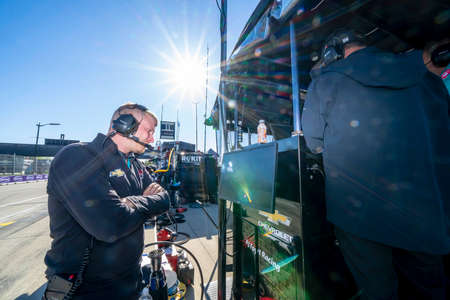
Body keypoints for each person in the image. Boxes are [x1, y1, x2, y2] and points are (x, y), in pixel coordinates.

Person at [302, 29, 450, 300]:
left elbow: (313, 142)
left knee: (378, 293)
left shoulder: (324, 81)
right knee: (429, 291)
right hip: (425, 214)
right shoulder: (426, 75)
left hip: (359, 214)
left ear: (332, 53)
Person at [43, 103, 170, 300]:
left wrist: (128, 203)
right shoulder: (76, 157)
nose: (152, 138)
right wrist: (143, 201)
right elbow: (110, 224)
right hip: (85, 291)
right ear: (122, 125)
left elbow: (164, 199)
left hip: (129, 284)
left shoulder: (135, 165)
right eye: (149, 131)